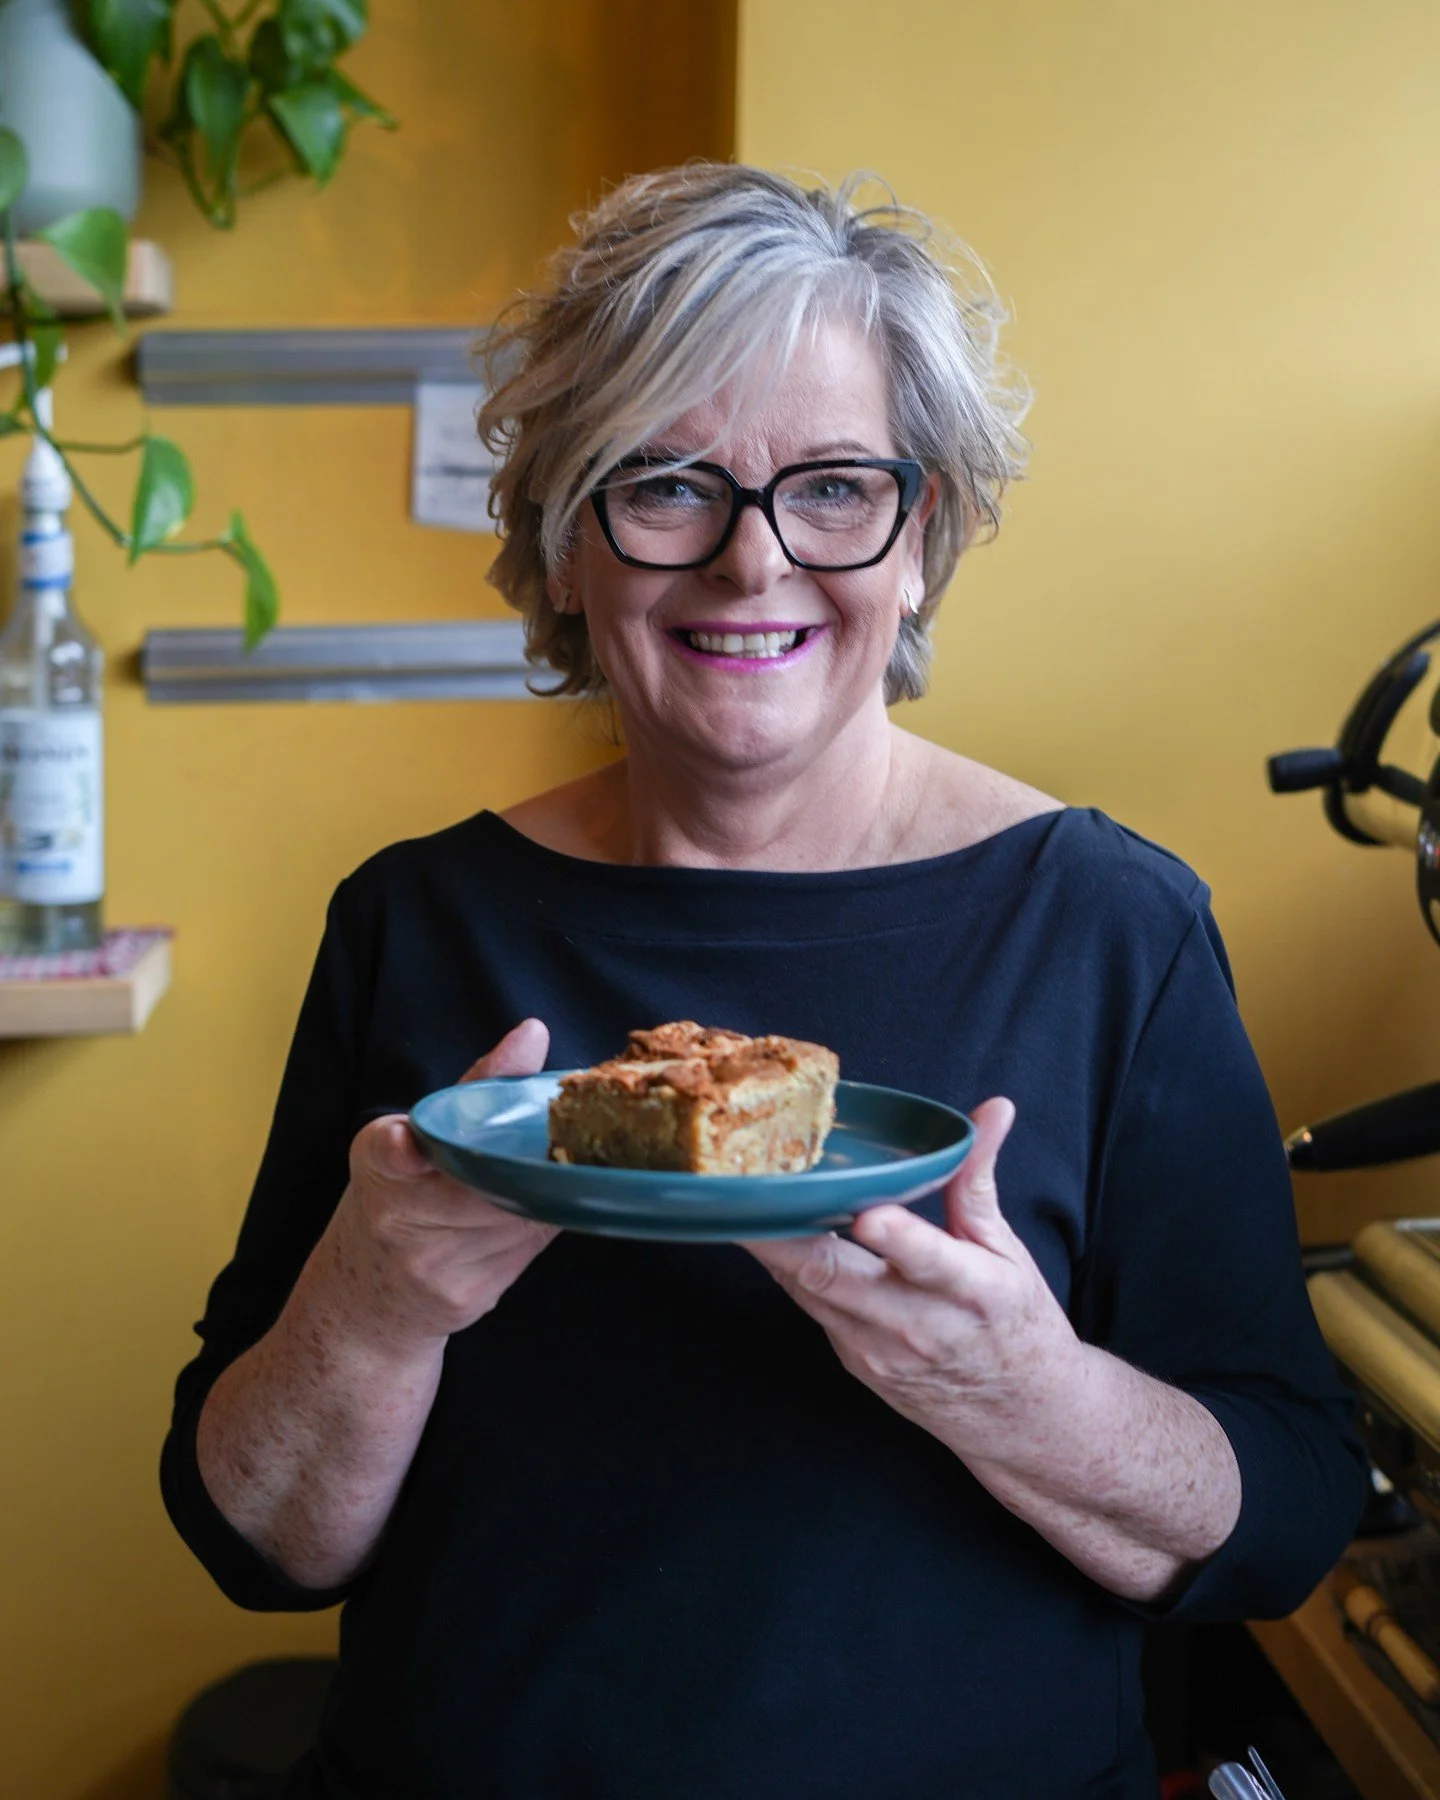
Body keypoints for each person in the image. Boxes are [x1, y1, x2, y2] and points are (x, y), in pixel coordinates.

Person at [162, 164, 1366, 1799]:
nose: (753, 561)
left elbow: (1287, 1513)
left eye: (835, 488)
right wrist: (371, 1309)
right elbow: (252, 1537)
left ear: (920, 539)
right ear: (566, 546)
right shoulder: (418, 919)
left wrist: (1022, 1394)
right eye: (668, 485)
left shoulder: (1110, 928)